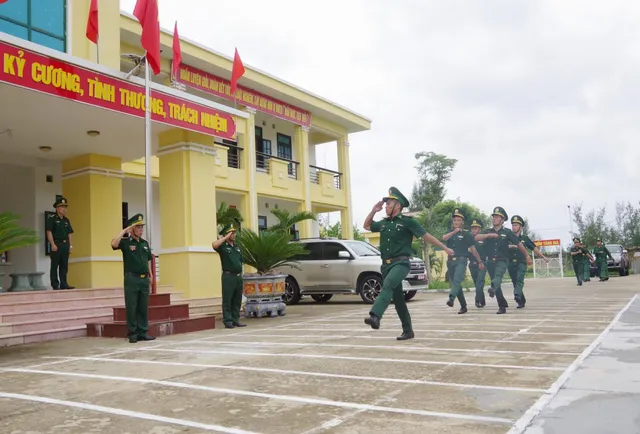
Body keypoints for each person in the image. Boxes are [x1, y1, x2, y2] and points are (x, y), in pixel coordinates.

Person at [363, 187, 454, 340]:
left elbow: (426, 236)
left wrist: (444, 248)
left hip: (401, 264)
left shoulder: (407, 222)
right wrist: (373, 211)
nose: (385, 206)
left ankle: (375, 316)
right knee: (398, 299)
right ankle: (408, 330)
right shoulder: (384, 223)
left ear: (397, 205)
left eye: (389, 203)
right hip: (385, 265)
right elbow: (366, 226)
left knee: (388, 285)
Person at [474, 207, 532, 315]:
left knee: (497, 278)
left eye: (497, 217)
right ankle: (502, 306)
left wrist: (527, 256)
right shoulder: (487, 231)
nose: (494, 219)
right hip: (490, 261)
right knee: (497, 285)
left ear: (502, 220)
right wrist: (488, 235)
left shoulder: (507, 232)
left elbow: (519, 244)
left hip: (502, 260)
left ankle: (492, 288)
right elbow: (476, 237)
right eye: (494, 217)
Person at [111, 214, 155, 343]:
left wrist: (151, 276)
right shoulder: (125, 242)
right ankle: (133, 333)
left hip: (144, 279)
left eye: (142, 227)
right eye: (138, 227)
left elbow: (147, 261)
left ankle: (143, 332)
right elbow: (114, 244)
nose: (141, 229)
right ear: (132, 229)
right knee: (132, 306)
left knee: (143, 306)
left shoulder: (144, 243)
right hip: (132, 278)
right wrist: (124, 231)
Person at [442, 209, 485, 314]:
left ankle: (451, 299)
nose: (456, 222)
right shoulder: (449, 232)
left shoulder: (466, 234)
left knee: (457, 280)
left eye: (458, 220)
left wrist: (479, 261)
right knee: (457, 285)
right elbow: (443, 238)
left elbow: (473, 249)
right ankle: (463, 306)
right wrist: (453, 232)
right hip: (450, 261)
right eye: (455, 220)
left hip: (461, 260)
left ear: (462, 222)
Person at [508, 215, 549, 308]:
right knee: (515, 282)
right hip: (510, 263)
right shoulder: (508, 237)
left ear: (521, 227)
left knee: (519, 279)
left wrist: (543, 257)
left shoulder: (525, 238)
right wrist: (512, 246)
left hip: (521, 262)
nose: (514, 227)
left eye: (516, 225)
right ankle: (521, 300)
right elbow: (502, 247)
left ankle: (517, 295)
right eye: (513, 225)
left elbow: (534, 248)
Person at [212, 224, 246, 329]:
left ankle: (236, 319)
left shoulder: (237, 247)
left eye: (234, 233)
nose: (234, 235)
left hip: (238, 277)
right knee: (228, 299)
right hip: (228, 276)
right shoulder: (223, 247)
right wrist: (225, 238)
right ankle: (228, 321)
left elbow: (240, 261)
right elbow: (214, 245)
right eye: (231, 233)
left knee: (237, 299)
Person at [45, 196, 75, 290]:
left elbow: (70, 233)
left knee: (64, 265)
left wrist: (70, 245)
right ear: (57, 208)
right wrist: (52, 244)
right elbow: (49, 231)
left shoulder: (66, 220)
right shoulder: (52, 218)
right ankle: (55, 284)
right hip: (57, 244)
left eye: (65, 207)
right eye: (62, 207)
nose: (64, 209)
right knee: (55, 265)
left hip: (65, 245)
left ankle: (64, 283)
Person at [468, 219, 488, 308]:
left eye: (476, 228)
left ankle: (478, 300)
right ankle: (482, 301)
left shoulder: (483, 239)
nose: (474, 230)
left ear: (479, 229)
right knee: (477, 283)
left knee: (479, 282)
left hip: (482, 264)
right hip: (472, 264)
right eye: (472, 228)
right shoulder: (468, 239)